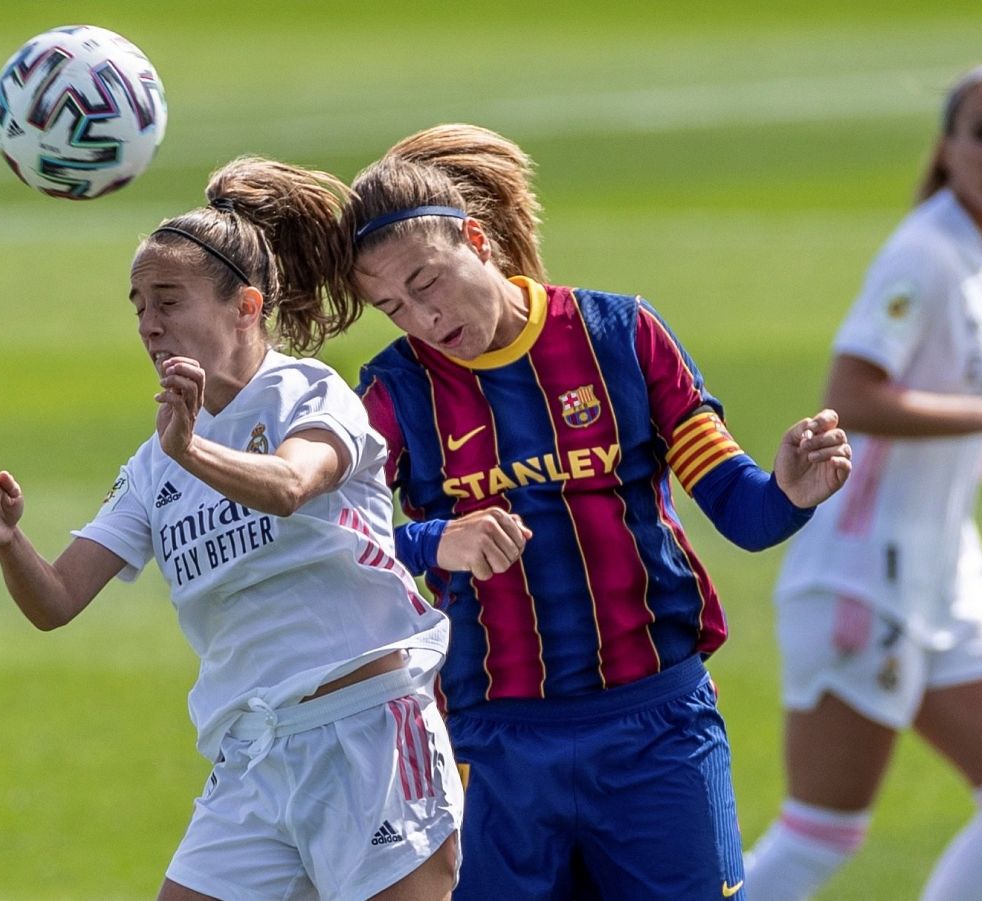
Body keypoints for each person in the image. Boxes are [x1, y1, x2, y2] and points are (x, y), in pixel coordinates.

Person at [318, 123, 853, 899]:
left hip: (658, 727)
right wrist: (440, 539)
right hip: (494, 744)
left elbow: (741, 508)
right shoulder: (393, 392)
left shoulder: (622, 336)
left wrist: (790, 493)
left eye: (427, 282)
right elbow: (337, 542)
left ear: (477, 239)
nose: (425, 320)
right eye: (394, 307)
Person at [0, 157, 462, 901]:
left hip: (368, 737)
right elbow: (57, 600)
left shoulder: (310, 391)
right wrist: (9, 542)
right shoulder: (154, 463)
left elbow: (290, 485)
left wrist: (190, 448)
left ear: (245, 306)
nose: (149, 324)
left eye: (168, 300)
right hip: (254, 759)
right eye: (136, 307)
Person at [743, 62, 982, 901]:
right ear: (947, 147)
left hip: (945, 578)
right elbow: (853, 397)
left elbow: (948, 401)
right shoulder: (924, 254)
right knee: (821, 835)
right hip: (867, 581)